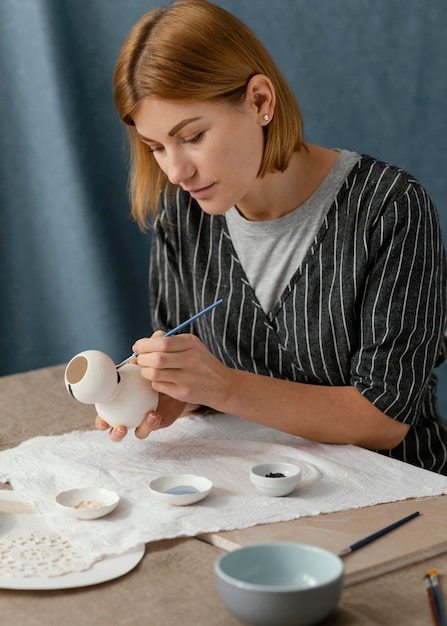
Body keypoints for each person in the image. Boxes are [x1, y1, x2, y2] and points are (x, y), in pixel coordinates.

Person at [96, 0, 447, 474]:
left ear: (260, 101)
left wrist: (222, 387)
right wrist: (170, 393)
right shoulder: (181, 215)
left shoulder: (389, 208)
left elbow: (386, 418)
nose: (176, 171)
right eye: (156, 147)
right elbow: (197, 377)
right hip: (253, 489)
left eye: (193, 135)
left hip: (399, 491)